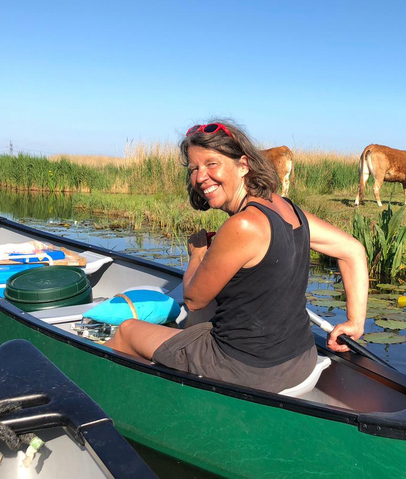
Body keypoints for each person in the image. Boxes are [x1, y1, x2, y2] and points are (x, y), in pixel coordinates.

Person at [105, 120, 368, 393]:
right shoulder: (285, 207)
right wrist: (355, 322)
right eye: (194, 168)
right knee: (202, 321)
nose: (200, 177)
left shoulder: (243, 225)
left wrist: (197, 255)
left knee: (126, 331)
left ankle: (125, 402)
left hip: (250, 369)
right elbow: (351, 250)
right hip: (300, 359)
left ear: (243, 165)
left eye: (211, 164)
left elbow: (194, 299)